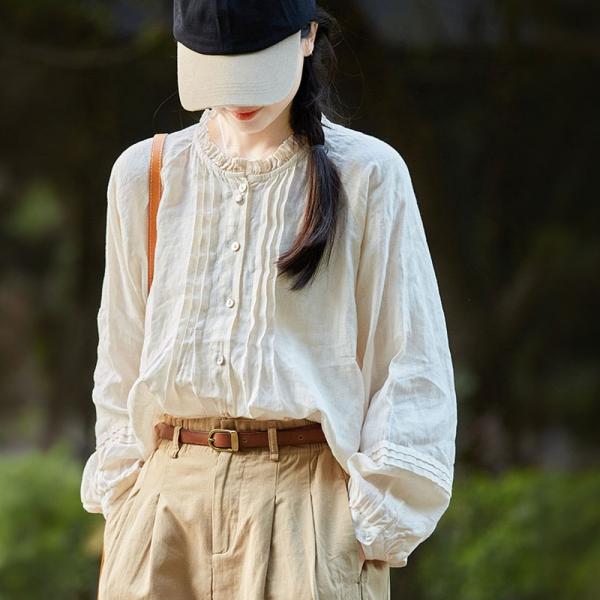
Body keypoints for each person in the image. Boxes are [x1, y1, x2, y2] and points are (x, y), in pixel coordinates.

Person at [80, 1, 458, 598]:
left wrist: (369, 526)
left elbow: (410, 363)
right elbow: (119, 361)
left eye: (255, 67)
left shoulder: (368, 175)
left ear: (307, 37)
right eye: (217, 70)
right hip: (163, 512)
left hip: (308, 508)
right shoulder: (144, 175)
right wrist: (127, 503)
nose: (237, 96)